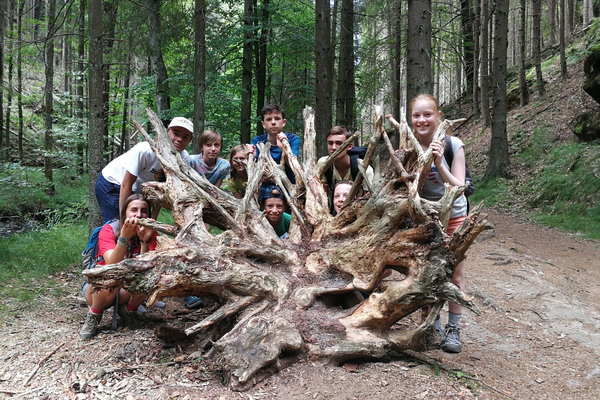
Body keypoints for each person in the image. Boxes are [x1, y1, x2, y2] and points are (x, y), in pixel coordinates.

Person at [410, 93, 468, 354]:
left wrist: (438, 162)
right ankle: (431, 322)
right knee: (426, 272)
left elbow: (460, 187)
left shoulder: (454, 144)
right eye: (416, 115)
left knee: (454, 274)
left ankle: (453, 328)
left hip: (454, 214)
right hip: (425, 218)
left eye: (427, 114)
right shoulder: (408, 145)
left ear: (438, 117)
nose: (422, 120)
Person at [80, 194, 158, 339]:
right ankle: (94, 316)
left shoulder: (151, 231)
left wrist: (144, 241)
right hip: (98, 290)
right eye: (134, 210)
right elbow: (111, 265)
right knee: (108, 277)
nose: (139, 215)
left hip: (126, 288)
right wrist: (124, 237)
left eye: (144, 211)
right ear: (125, 213)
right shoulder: (108, 230)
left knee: (150, 277)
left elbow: (147, 267)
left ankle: (129, 311)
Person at [96, 117, 193, 223]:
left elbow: (165, 190)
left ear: (189, 141)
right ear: (166, 132)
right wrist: (123, 219)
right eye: (176, 133)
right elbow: (126, 184)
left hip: (139, 190)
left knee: (140, 227)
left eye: (185, 137)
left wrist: (153, 220)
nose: (180, 139)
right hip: (114, 184)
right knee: (118, 226)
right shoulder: (146, 151)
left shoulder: (183, 160)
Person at [316, 126, 374, 212]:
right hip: (336, 210)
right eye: (330, 143)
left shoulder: (364, 168)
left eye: (339, 143)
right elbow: (323, 195)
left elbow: (369, 200)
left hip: (358, 212)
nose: (334, 148)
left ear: (349, 146)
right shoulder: (324, 163)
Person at [250, 103, 301, 184]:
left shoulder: (293, 139)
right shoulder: (257, 141)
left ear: (283, 122)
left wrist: (283, 149)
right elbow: (253, 164)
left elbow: (293, 165)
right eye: (269, 119)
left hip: (289, 183)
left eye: (277, 118)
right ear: (263, 124)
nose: (273, 122)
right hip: (265, 184)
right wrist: (251, 155)